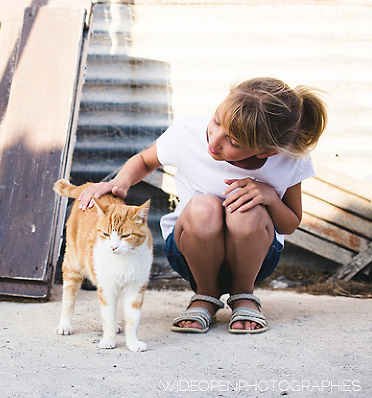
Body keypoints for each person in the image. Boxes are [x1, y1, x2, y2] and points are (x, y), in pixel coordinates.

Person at [77, 77, 328, 334]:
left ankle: (244, 296)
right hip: (191, 251)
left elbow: (289, 225)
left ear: (265, 153)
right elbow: (144, 160)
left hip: (256, 257)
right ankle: (205, 296)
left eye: (233, 142)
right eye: (217, 120)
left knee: (247, 211)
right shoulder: (187, 133)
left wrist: (270, 197)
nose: (214, 139)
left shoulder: (288, 159)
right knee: (203, 207)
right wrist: (120, 183)